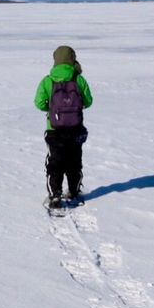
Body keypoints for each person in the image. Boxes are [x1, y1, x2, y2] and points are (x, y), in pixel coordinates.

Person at [33, 45, 92, 207]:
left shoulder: (48, 80)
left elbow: (38, 103)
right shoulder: (78, 79)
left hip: (54, 129)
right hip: (75, 129)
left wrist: (51, 110)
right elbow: (88, 101)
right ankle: (73, 191)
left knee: (55, 162)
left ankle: (55, 195)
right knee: (74, 161)